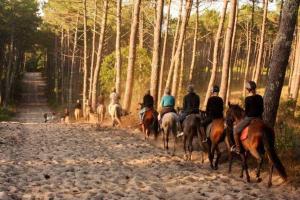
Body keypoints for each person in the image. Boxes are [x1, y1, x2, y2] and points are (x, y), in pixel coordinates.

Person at [231, 81, 264, 154]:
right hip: (259, 118)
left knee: (235, 130)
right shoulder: (260, 97)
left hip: (250, 118)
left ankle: (238, 148)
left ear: (248, 89)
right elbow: (262, 109)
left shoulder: (247, 99)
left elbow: (247, 112)